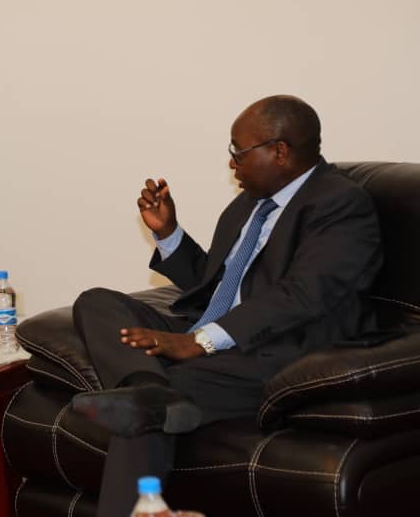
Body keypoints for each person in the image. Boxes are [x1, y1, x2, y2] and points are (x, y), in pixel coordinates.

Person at [69, 95, 383, 515]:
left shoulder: (339, 204)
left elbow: (302, 294)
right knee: (96, 303)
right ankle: (148, 390)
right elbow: (214, 284)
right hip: (214, 334)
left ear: (280, 150)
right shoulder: (248, 204)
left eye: (238, 151)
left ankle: (149, 399)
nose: (232, 163)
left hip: (272, 351)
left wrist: (201, 341)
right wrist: (169, 235)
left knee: (141, 415)